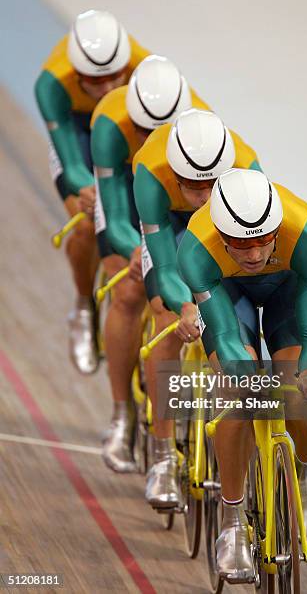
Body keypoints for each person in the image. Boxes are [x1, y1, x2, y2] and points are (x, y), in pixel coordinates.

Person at [177, 168, 307, 583]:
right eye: (242, 245)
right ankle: (231, 519)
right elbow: (224, 334)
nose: (254, 255)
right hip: (231, 297)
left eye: (264, 241)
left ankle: (306, 472)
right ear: (223, 236)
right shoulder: (196, 247)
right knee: (236, 394)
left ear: (277, 227)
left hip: (287, 290)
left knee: (304, 389)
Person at [133, 109, 262, 508]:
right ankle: (163, 453)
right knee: (168, 317)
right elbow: (166, 265)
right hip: (170, 227)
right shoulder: (151, 172)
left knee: (241, 349)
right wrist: (185, 305)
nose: (205, 196)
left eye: (213, 183)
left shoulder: (246, 164)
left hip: (222, 232)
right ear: (175, 175)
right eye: (194, 186)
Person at [90, 55, 208, 472]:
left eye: (160, 131)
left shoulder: (201, 128)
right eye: (142, 129)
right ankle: (121, 414)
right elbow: (117, 213)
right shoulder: (109, 126)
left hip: (175, 193)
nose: (149, 138)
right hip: (129, 190)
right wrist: (132, 247)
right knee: (127, 290)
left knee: (179, 297)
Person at [35, 9, 149, 374]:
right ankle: (84, 303)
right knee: (87, 221)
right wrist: (85, 187)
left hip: (122, 129)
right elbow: (70, 160)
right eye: (93, 82)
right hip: (79, 132)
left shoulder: (143, 66)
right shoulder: (53, 82)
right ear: (76, 72)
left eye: (115, 78)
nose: (106, 91)